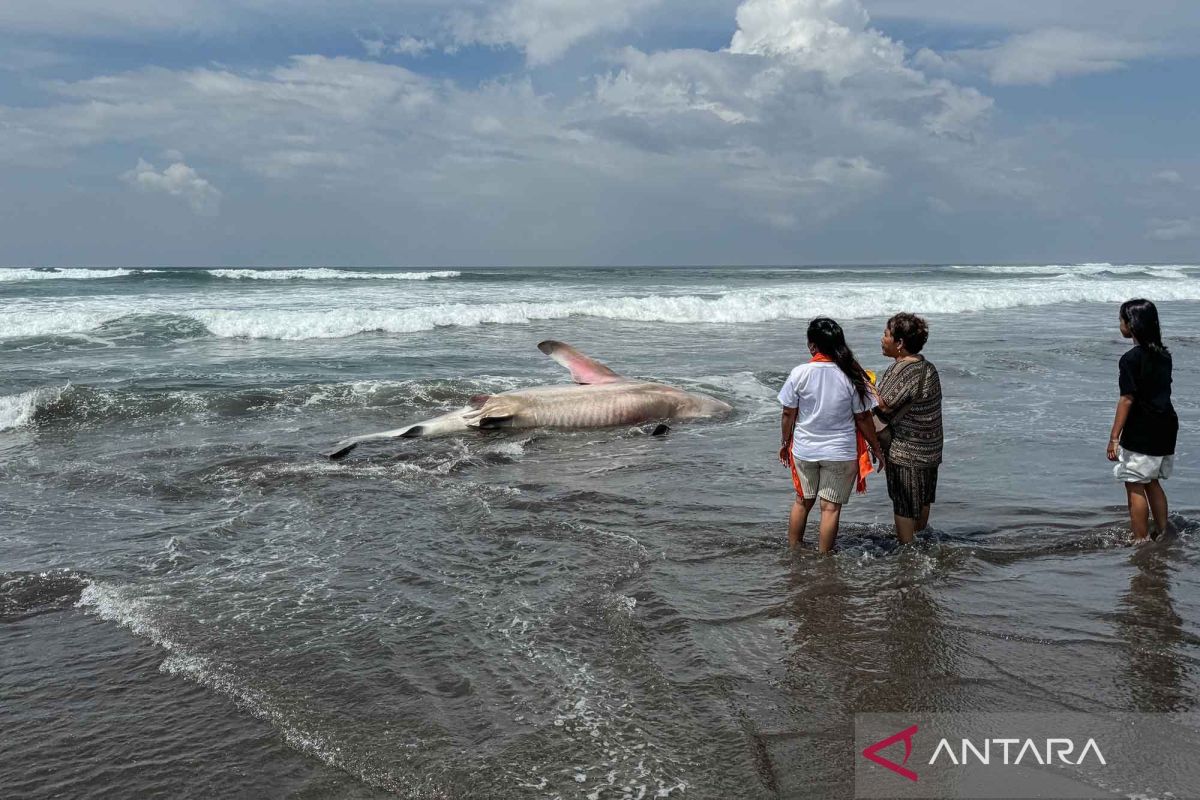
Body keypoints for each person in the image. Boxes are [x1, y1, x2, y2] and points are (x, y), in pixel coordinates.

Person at [778, 317, 884, 553]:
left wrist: (785, 442)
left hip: (805, 449)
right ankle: (824, 560)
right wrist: (876, 448)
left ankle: (793, 553)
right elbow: (864, 418)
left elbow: (788, 413)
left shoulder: (799, 373)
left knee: (802, 501)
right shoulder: (851, 375)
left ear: (812, 345)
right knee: (830, 508)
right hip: (840, 452)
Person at [1107, 299, 1178, 542]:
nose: (1120, 325)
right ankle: (1162, 531)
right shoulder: (1164, 356)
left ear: (1132, 325)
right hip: (1166, 424)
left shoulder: (1129, 359)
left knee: (1134, 483)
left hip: (1143, 427)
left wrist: (1114, 437)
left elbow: (1127, 399)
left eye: (1121, 320)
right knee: (1153, 482)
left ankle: (1140, 540)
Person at [874, 313, 943, 544]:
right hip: (930, 449)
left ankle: (907, 553)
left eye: (886, 335)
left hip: (906, 450)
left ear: (899, 343)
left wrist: (864, 384)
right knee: (923, 499)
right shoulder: (928, 368)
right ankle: (920, 541)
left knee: (903, 503)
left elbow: (883, 406)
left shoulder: (902, 370)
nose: (882, 339)